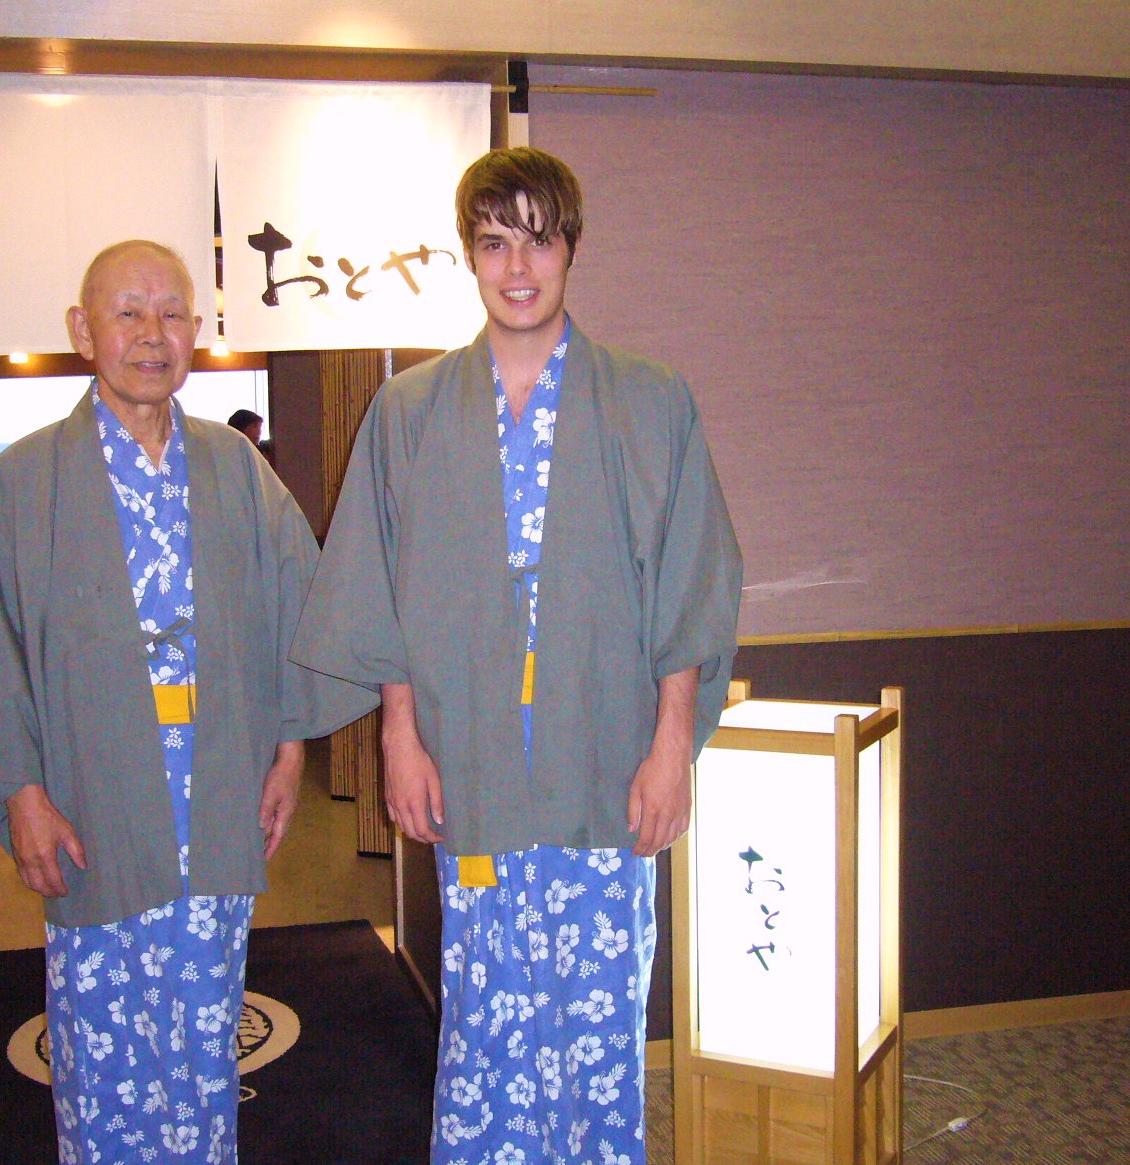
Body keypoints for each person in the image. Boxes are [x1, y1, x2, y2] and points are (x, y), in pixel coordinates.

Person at [291, 148, 742, 1164]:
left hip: (606, 766)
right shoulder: (408, 413)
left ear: (571, 247)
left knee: (599, 1033)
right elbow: (382, 588)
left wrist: (673, 745)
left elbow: (689, 583)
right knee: (485, 1033)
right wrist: (397, 739)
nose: (518, 265)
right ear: (468, 256)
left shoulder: (650, 402)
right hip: (475, 769)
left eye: (538, 237)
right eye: (494, 242)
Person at [0, 239, 375, 1165]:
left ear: (199, 332)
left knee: (208, 1038)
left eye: (171, 312)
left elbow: (299, 604)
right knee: (98, 1048)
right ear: (80, 329)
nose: (150, 334)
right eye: (127, 312)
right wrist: (20, 790)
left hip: (213, 788)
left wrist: (291, 746)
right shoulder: (25, 479)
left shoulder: (235, 468)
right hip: (93, 793)